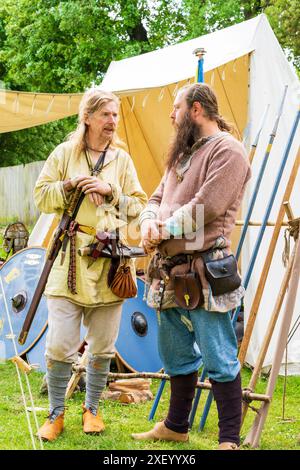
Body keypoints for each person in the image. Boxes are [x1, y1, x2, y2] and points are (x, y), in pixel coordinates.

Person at [132, 83, 251, 450]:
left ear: (196, 109)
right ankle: (175, 426)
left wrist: (162, 228)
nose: (171, 114)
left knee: (218, 355)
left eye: (176, 107)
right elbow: (155, 196)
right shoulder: (182, 152)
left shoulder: (228, 151)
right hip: (168, 270)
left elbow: (208, 206)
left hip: (206, 269)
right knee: (176, 354)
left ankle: (228, 438)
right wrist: (148, 220)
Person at [34, 88, 147, 441]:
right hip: (69, 260)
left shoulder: (122, 161)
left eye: (115, 115)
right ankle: (55, 414)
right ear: (88, 117)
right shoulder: (66, 153)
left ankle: (92, 410)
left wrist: (111, 191)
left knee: (102, 344)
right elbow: (41, 195)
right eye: (106, 115)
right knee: (59, 344)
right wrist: (69, 185)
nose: (112, 121)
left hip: (109, 264)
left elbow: (139, 207)